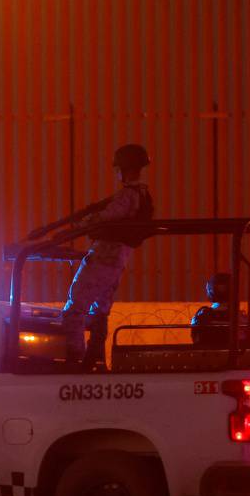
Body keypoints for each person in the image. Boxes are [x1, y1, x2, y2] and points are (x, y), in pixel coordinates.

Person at [25, 143, 154, 367]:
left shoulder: (126, 197)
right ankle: (95, 358)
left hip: (104, 256)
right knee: (100, 311)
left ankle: (75, 360)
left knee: (74, 310)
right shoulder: (142, 195)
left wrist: (78, 226)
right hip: (118, 261)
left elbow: (106, 217)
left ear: (124, 168)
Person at [188, 271, 250, 348]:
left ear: (209, 291)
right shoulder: (244, 321)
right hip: (236, 358)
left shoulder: (198, 319)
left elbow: (195, 342)